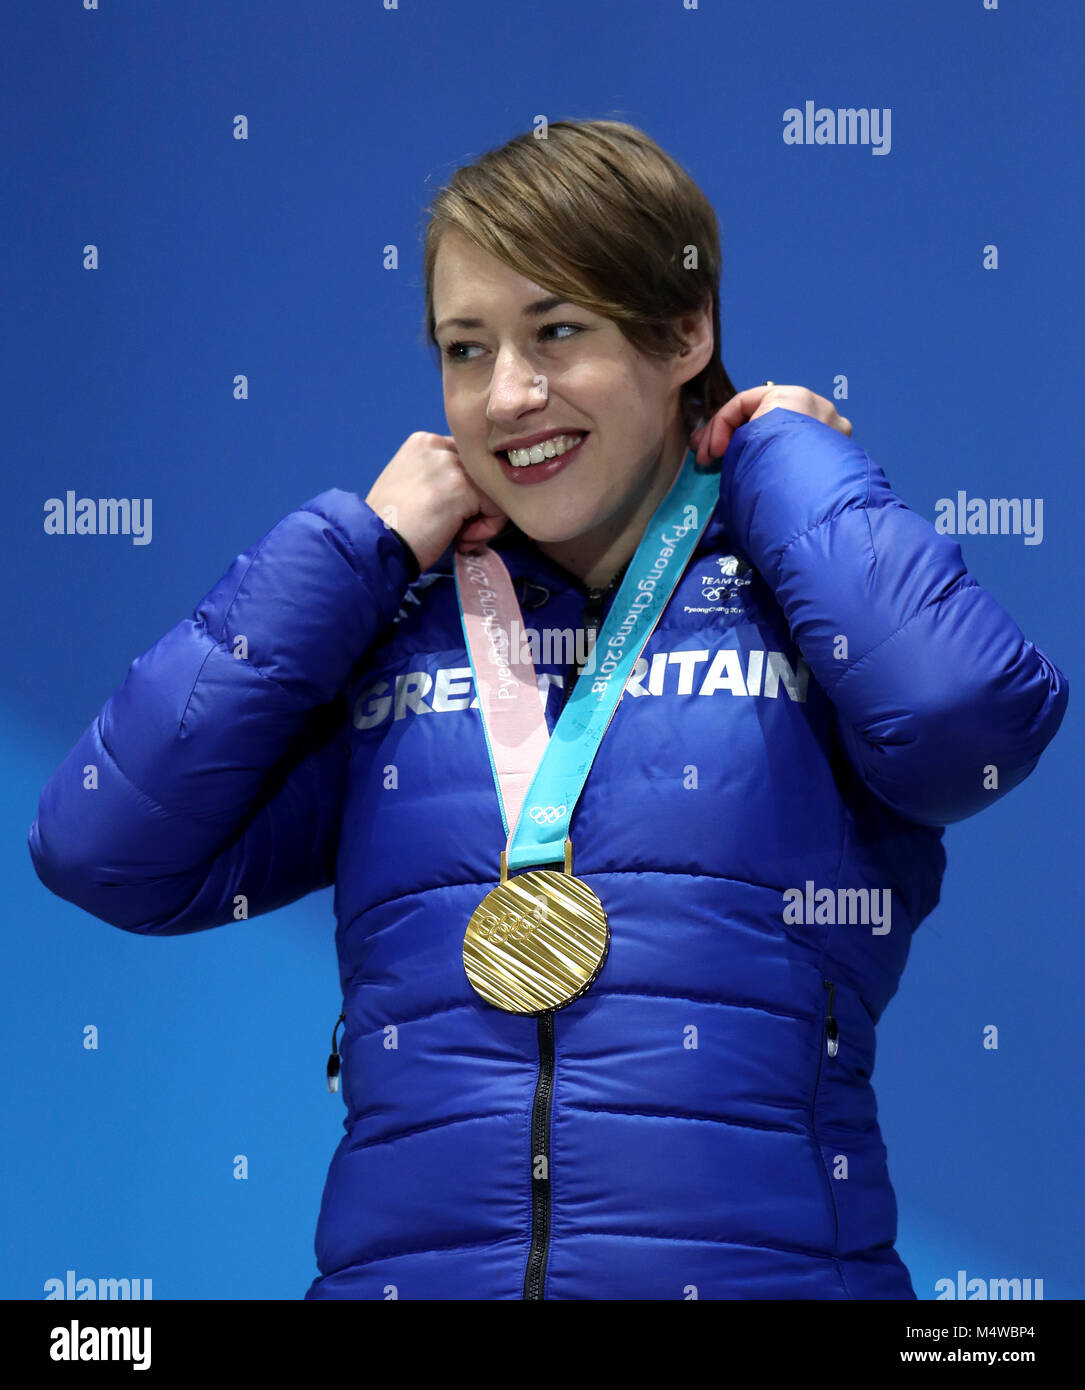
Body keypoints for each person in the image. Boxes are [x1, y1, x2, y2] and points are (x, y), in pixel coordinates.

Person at [29, 119, 1068, 1301]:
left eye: (556, 331)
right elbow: (100, 845)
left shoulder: (803, 608)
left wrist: (782, 459)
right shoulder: (391, 628)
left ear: (684, 330)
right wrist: (345, 551)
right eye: (464, 350)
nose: (507, 395)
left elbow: (965, 722)